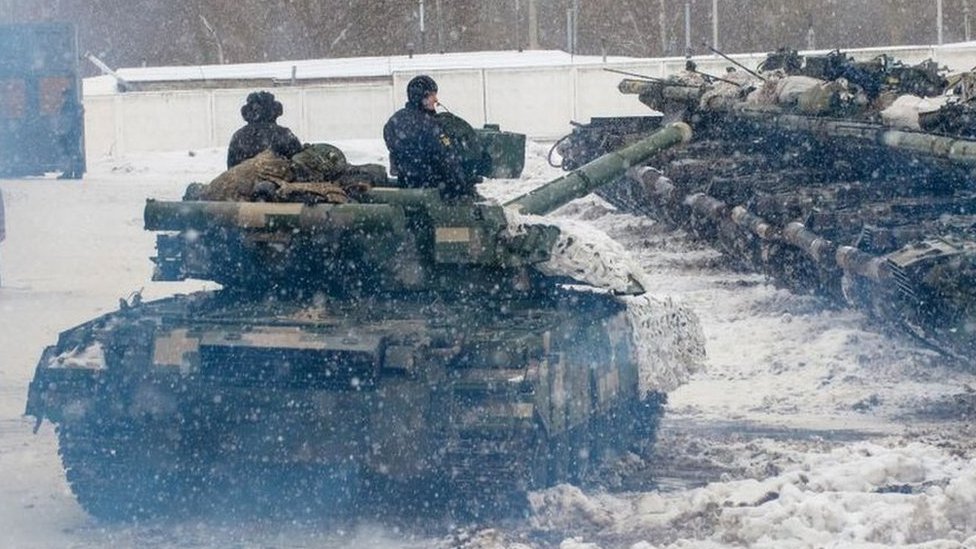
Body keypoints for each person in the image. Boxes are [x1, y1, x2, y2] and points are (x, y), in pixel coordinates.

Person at [383, 75, 475, 199]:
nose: (436, 99)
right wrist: (463, 187)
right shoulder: (431, 125)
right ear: (421, 97)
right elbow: (448, 159)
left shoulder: (394, 122)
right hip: (436, 193)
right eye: (432, 95)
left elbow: (395, 151)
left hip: (406, 191)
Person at [226, 91, 303, 169]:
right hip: (278, 179)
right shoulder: (284, 135)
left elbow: (231, 169)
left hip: (246, 180)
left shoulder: (238, 137)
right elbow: (299, 166)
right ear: (275, 111)